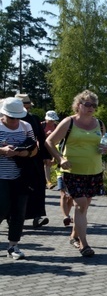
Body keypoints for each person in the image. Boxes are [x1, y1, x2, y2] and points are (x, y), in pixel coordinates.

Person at [45, 90, 107, 257]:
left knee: (84, 206)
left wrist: (105, 148)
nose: (91, 108)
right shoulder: (69, 122)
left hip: (94, 170)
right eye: (87, 104)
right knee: (80, 205)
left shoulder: (99, 124)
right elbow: (49, 141)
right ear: (78, 105)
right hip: (72, 171)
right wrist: (60, 158)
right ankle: (84, 244)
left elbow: (104, 143)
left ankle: (74, 235)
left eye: (94, 105)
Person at [0, 98, 38, 260]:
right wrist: (2, 150)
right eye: (11, 117)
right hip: (1, 176)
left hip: (21, 176)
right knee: (1, 209)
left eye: (17, 117)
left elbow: (35, 148)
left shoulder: (26, 126)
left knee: (18, 212)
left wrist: (26, 153)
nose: (15, 120)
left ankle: (13, 245)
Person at [16, 94, 49, 228]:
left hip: (34, 157)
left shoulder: (34, 119)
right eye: (25, 107)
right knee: (17, 188)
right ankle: (13, 217)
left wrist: (46, 156)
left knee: (38, 187)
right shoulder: (7, 119)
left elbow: (42, 138)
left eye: (29, 107)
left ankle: (37, 216)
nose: (28, 110)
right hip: (14, 158)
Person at [42, 110, 59, 188]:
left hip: (52, 146)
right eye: (50, 120)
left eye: (53, 120)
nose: (52, 122)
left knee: (50, 163)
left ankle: (48, 182)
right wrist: (45, 134)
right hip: (41, 146)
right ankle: (47, 182)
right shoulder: (42, 125)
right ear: (46, 119)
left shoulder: (56, 126)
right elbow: (36, 136)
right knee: (46, 163)